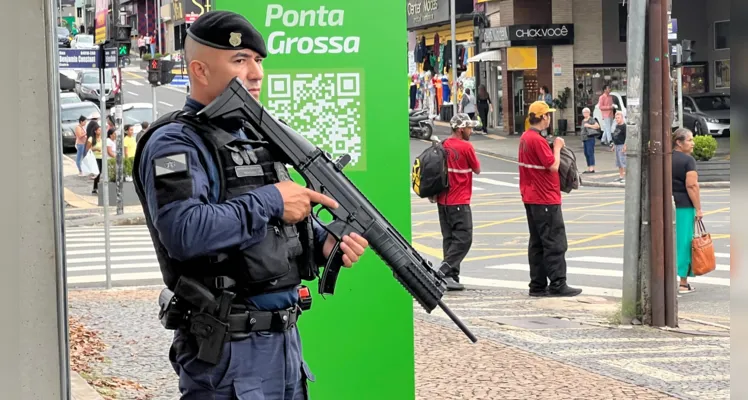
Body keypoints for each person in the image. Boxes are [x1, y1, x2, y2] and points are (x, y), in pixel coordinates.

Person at [133, 11, 369, 399]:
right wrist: (273, 199)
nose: (256, 73)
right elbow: (184, 232)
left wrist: (323, 244)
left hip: (284, 345)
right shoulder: (174, 144)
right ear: (200, 71)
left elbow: (271, 237)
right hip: (228, 353)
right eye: (240, 60)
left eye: (258, 61)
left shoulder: (256, 139)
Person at [518, 101, 582, 297]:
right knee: (554, 242)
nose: (550, 119)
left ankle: (537, 284)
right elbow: (552, 165)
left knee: (537, 242)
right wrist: (557, 146)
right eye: (548, 115)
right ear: (543, 117)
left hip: (531, 196)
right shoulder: (536, 140)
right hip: (545, 197)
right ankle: (557, 283)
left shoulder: (525, 137)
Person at [435, 113, 481, 291]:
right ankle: (445, 270)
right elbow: (477, 169)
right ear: (461, 129)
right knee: (464, 238)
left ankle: (451, 277)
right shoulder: (466, 147)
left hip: (443, 200)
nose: (471, 130)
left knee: (449, 238)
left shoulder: (443, 145)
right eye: (469, 127)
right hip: (459, 201)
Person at [671, 128, 702, 294]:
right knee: (684, 242)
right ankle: (683, 282)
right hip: (684, 206)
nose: (692, 143)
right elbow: (692, 185)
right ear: (679, 142)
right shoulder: (688, 161)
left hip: (666, 205)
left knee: (668, 243)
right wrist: (698, 208)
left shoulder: (664, 158)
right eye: (690, 140)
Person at [579, 107, 599, 174]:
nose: (585, 114)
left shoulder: (591, 119)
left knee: (590, 153)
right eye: (584, 112)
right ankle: (589, 167)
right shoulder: (583, 120)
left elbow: (597, 126)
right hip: (584, 139)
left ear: (589, 113)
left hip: (590, 138)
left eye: (586, 112)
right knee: (586, 153)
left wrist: (589, 125)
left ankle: (592, 168)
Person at [612, 111, 627, 182]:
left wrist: (625, 146)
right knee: (618, 162)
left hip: (621, 145)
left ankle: (625, 176)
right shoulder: (617, 126)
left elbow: (626, 137)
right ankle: (621, 176)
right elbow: (615, 136)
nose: (617, 119)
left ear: (622, 118)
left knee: (623, 161)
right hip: (617, 145)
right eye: (616, 118)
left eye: (618, 118)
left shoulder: (624, 126)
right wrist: (613, 145)